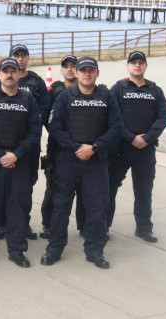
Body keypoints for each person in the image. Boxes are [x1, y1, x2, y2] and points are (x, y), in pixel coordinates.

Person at [41, 56, 122, 269]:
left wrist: (94, 147)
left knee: (96, 210)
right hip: (68, 163)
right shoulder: (64, 97)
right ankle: (54, 249)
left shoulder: (106, 97)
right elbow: (55, 127)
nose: (87, 74)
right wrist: (76, 147)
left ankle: (95, 250)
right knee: (61, 209)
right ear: (76, 73)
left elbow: (116, 127)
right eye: (83, 70)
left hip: (96, 164)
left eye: (91, 70)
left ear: (97, 73)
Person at [0, 58, 42, 268]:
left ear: (20, 74)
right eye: (6, 71)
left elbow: (35, 132)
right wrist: (0, 154)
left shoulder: (29, 100)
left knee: (18, 208)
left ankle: (17, 250)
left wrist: (16, 155)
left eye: (14, 71)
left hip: (20, 163)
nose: (10, 75)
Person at [107, 51, 166, 242]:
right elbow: (112, 117)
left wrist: (147, 138)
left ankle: (143, 228)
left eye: (141, 63)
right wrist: (131, 137)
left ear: (145, 66)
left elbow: (163, 117)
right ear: (127, 66)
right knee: (110, 188)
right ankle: (103, 226)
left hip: (146, 149)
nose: (137, 66)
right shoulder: (118, 88)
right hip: (121, 148)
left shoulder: (155, 90)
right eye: (133, 63)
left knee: (144, 190)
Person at [0, 45, 50, 240]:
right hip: (4, 143)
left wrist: (29, 130)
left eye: (23, 55)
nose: (20, 59)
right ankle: (1, 223)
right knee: (2, 185)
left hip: (28, 145)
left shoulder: (37, 81)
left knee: (26, 185)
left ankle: (23, 223)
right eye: (16, 55)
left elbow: (44, 110)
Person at [40, 55, 83, 239]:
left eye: (74, 66)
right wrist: (66, 139)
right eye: (66, 66)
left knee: (84, 190)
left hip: (83, 147)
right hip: (57, 147)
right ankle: (47, 224)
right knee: (53, 186)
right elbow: (47, 120)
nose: (70, 69)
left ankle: (84, 225)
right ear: (61, 70)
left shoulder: (89, 91)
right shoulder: (54, 92)